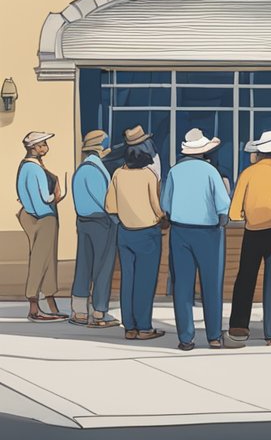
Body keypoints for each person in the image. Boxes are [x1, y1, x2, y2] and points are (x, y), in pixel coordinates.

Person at [162, 129, 231, 350]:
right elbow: (223, 203)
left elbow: (166, 205)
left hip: (180, 231)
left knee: (182, 286)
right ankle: (213, 336)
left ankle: (186, 337)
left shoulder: (174, 172)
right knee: (211, 285)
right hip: (209, 232)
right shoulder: (211, 171)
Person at [225, 130, 271, 347]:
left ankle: (238, 327)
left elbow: (234, 212)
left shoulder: (247, 174)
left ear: (259, 153)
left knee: (245, 278)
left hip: (252, 233)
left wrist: (247, 215)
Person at [104, 125, 164, 339]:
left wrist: (122, 220)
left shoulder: (118, 174)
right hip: (147, 232)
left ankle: (129, 327)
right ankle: (144, 327)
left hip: (125, 233)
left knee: (127, 280)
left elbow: (110, 207)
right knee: (145, 282)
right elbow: (157, 207)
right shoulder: (149, 175)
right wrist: (163, 219)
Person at [69, 130, 118, 328]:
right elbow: (105, 201)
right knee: (102, 268)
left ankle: (79, 311)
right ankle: (99, 312)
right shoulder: (97, 170)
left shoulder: (80, 169)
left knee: (83, 265)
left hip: (82, 221)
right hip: (101, 222)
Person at [17, 131, 66, 322]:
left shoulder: (26, 166)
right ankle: (34, 307)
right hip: (43, 216)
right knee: (41, 260)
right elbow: (44, 197)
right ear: (34, 148)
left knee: (47, 259)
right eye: (42, 144)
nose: (45, 147)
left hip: (34, 215)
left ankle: (50, 303)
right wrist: (58, 194)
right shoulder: (34, 168)